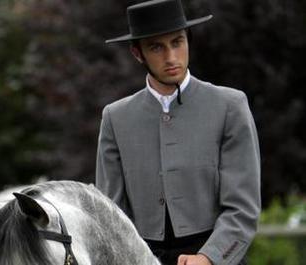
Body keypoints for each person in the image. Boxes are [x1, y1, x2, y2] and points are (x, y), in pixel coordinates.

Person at [95, 1, 261, 265]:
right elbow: (111, 214)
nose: (171, 57)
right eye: (156, 47)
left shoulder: (229, 106)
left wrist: (209, 257)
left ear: (188, 41)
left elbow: (243, 208)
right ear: (138, 54)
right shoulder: (115, 118)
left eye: (177, 42)